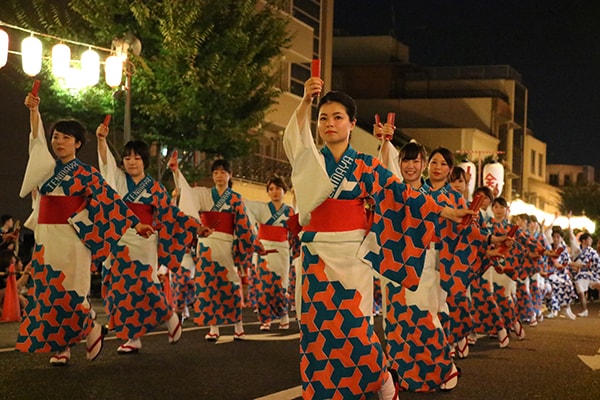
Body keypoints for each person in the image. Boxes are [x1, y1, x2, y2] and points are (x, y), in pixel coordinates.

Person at [283, 77, 473, 399]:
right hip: (315, 255)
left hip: (352, 257)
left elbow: (401, 195)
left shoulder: (364, 165)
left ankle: (383, 378)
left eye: (338, 117)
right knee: (317, 332)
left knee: (356, 330)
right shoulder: (309, 160)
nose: (329, 124)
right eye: (323, 118)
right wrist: (304, 102)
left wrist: (445, 211)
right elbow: (293, 139)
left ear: (352, 124)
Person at [16, 91, 154, 366]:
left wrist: (136, 223)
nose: (59, 142)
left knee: (71, 292)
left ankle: (89, 328)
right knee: (49, 292)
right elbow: (36, 140)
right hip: (47, 238)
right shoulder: (44, 169)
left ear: (78, 144)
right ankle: (64, 346)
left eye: (66, 138)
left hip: (73, 239)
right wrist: (33, 112)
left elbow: (111, 200)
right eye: (56, 137)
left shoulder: (87, 173)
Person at [96, 126, 211, 353]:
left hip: (144, 241)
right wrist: (101, 140)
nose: (131, 162)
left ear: (144, 161)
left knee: (144, 285)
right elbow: (105, 162)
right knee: (122, 291)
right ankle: (133, 338)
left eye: (137, 158)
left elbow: (172, 214)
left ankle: (169, 316)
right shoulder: (117, 179)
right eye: (127, 158)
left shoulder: (155, 188)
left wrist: (196, 228)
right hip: (119, 240)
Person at [170, 156, 263, 341]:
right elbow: (186, 193)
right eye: (216, 172)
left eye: (223, 172)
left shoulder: (236, 199)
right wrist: (176, 172)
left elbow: (244, 227)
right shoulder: (203, 194)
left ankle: (238, 326)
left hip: (226, 244)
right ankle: (214, 328)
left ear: (230, 175)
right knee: (209, 285)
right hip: (206, 245)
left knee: (230, 284)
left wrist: (253, 245)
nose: (219, 176)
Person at [245, 175, 298, 331]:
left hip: (282, 250)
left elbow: (295, 233)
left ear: (284, 191)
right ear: (267, 192)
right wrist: (254, 236)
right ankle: (265, 319)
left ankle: (284, 317)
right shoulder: (261, 208)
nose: (275, 192)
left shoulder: (289, 211)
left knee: (281, 284)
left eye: (278, 188)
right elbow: (244, 209)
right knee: (264, 286)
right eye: (271, 189)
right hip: (264, 250)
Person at [570, 232, 600, 317]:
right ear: (584, 240)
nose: (591, 241)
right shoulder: (577, 250)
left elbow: (597, 263)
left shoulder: (592, 251)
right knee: (581, 293)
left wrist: (594, 270)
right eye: (589, 239)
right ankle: (584, 310)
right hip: (579, 274)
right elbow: (572, 262)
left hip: (590, 274)